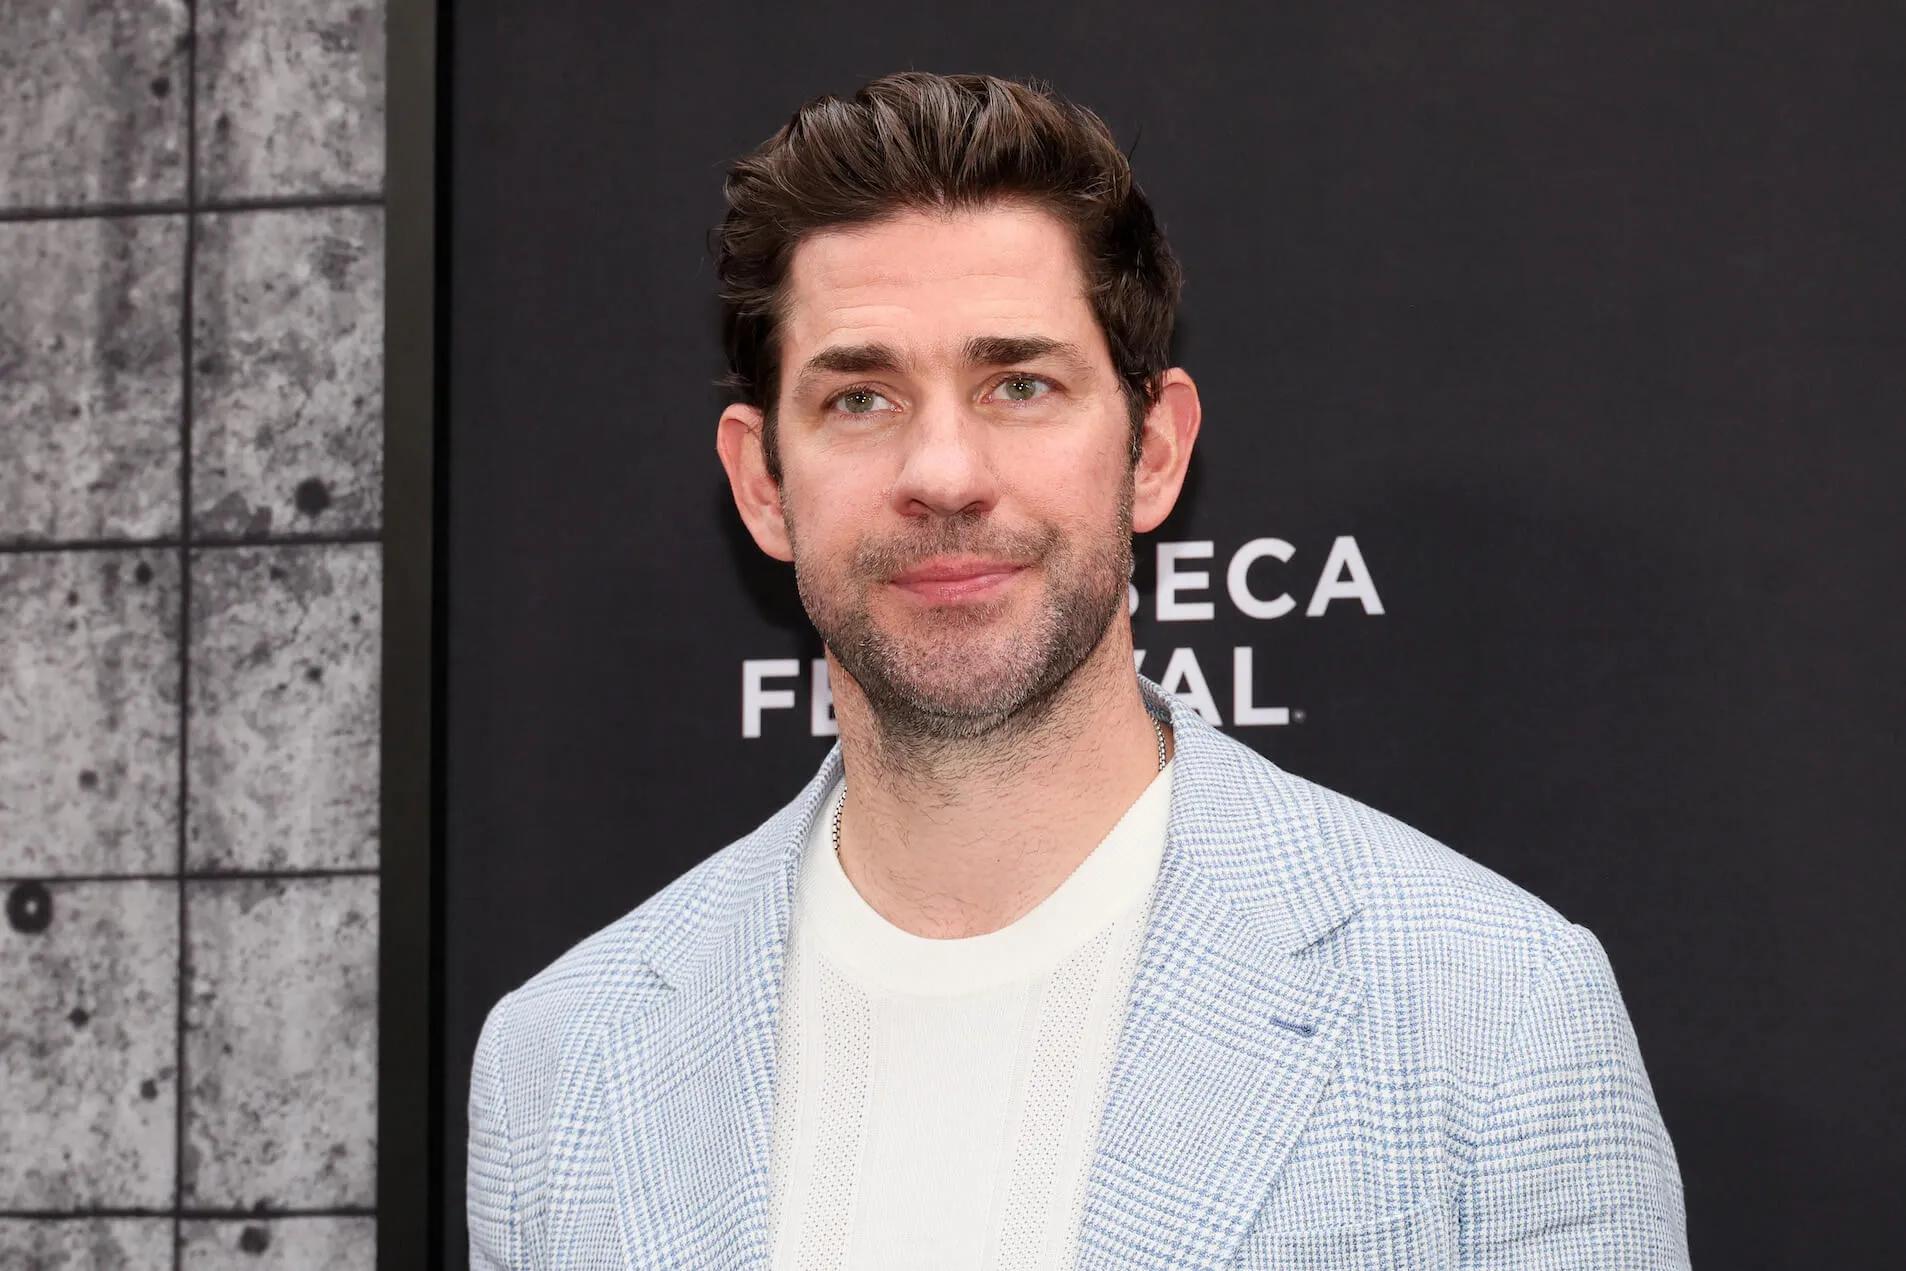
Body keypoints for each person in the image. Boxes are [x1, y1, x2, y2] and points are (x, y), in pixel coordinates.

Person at [467, 72, 1687, 1269]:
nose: (943, 471)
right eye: (859, 397)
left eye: (1019, 384)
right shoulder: (561, 1064)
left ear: (1152, 452)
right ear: (760, 482)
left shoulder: (1492, 1011)